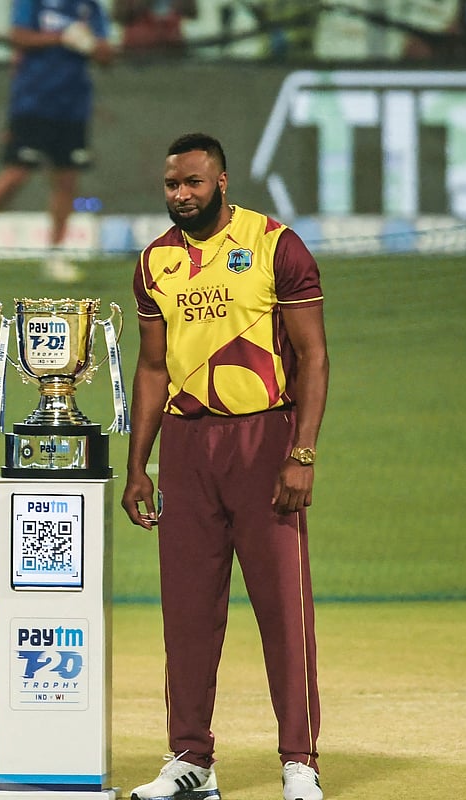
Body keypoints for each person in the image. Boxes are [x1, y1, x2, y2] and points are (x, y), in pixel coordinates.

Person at [121, 133, 329, 800]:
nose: (181, 195)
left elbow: (315, 357)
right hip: (185, 447)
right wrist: (139, 466)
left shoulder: (275, 244)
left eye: (194, 183)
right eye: (172, 185)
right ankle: (190, 760)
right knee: (187, 614)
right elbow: (152, 369)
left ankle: (299, 761)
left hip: (264, 441)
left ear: (222, 181)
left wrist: (301, 451)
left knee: (282, 611)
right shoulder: (154, 263)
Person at [0, 0, 114, 285]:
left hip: (73, 106)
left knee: (67, 180)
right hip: (33, 101)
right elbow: (18, 36)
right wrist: (62, 37)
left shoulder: (89, 6)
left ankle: (55, 256)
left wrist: (90, 44)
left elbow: (107, 55)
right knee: (17, 173)